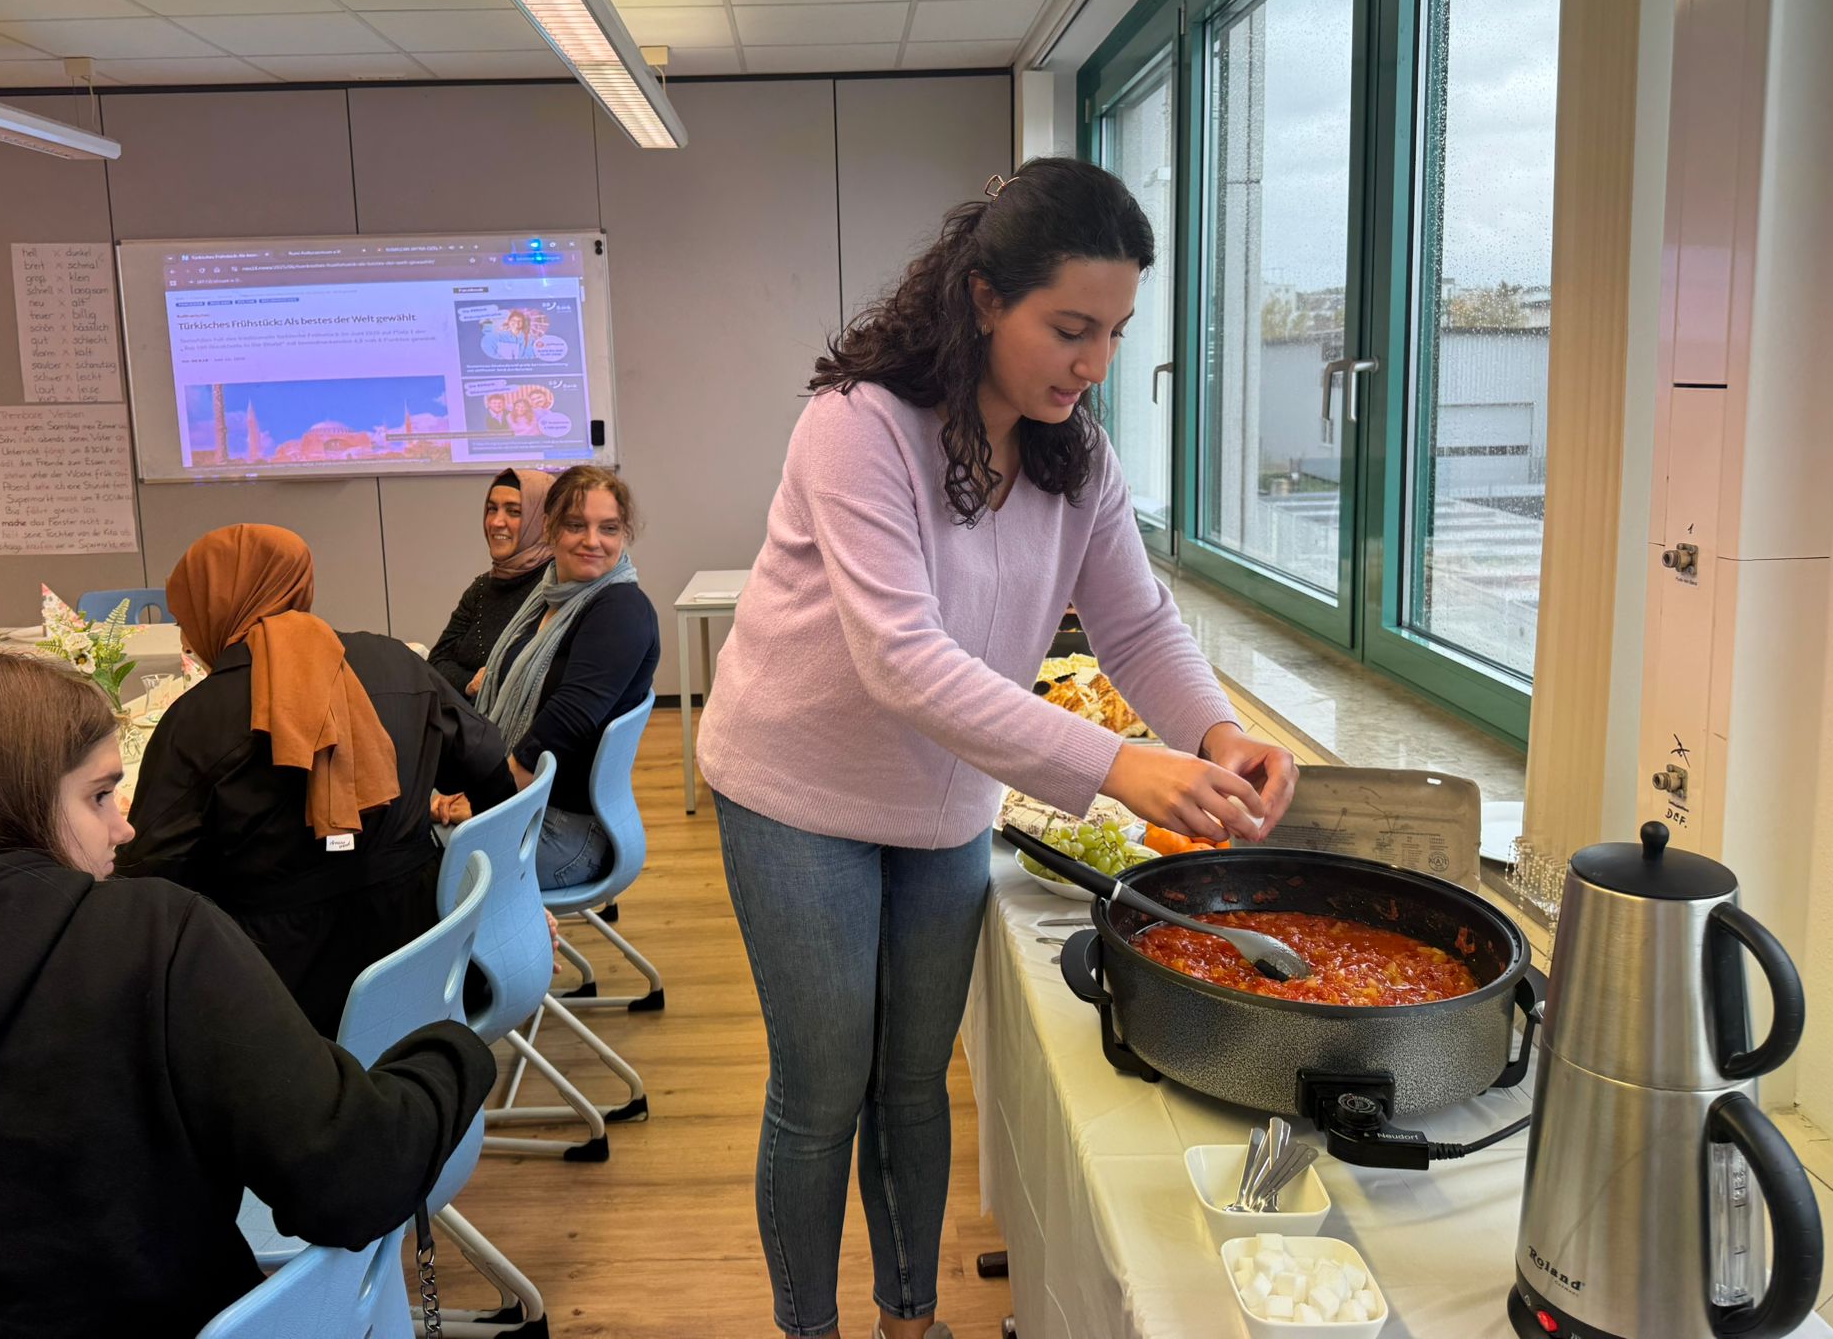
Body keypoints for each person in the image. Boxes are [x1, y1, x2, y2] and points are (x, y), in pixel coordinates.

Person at [696, 158, 1300, 1339]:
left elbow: (1135, 625)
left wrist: (1218, 732)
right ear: (982, 299)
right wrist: (1119, 767)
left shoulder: (1074, 456)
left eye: (1115, 333)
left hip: (942, 801)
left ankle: (908, 1319)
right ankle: (806, 1328)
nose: (1095, 364)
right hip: (794, 793)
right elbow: (900, 658)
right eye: (1069, 330)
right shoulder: (857, 426)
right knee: (823, 1089)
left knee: (913, 1081)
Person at [0, 648, 494, 1338]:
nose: (124, 828)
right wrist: (456, 1050)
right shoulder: (145, 937)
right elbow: (354, 1175)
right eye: (99, 796)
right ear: (9, 805)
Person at [119, 523, 514, 1036]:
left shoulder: (198, 719)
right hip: (430, 962)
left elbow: (148, 881)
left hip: (277, 1003)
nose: (187, 640)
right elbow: (489, 767)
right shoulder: (397, 661)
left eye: (184, 620)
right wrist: (495, 896)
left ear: (216, 608)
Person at [475, 464, 658, 890]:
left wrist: (482, 798)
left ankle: (512, 930)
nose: (593, 541)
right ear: (550, 528)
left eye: (608, 528)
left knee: (408, 865)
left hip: (568, 832)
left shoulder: (621, 609)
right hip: (533, 808)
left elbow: (568, 719)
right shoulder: (549, 597)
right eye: (576, 525)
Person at [430, 467, 556, 700]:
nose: (496, 522)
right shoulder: (482, 588)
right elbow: (436, 663)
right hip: (466, 715)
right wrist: (471, 683)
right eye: (492, 509)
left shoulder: (555, 588)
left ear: (544, 522)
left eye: (514, 511)